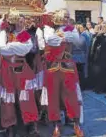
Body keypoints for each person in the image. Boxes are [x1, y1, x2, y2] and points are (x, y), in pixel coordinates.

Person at [0, 10, 40, 137]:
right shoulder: (4, 32)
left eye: (22, 22)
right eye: (17, 21)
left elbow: (26, 49)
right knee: (7, 99)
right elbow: (0, 48)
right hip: (6, 71)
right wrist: (2, 20)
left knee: (27, 98)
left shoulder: (24, 35)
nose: (20, 24)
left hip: (22, 70)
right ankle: (9, 126)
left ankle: (31, 124)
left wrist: (10, 46)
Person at [36, 9, 84, 137]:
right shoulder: (48, 28)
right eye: (65, 16)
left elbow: (75, 38)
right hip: (52, 68)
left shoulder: (70, 28)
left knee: (72, 96)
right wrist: (63, 36)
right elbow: (50, 40)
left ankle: (76, 124)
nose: (67, 19)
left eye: (68, 16)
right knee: (53, 97)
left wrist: (61, 35)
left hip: (67, 66)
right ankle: (56, 126)